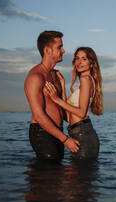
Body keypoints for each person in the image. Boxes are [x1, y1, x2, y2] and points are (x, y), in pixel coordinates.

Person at [24, 30, 80, 160]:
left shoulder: (56, 76)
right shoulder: (36, 77)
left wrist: (62, 83)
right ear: (47, 50)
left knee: (57, 175)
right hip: (42, 133)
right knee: (48, 176)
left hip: (58, 132)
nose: (64, 51)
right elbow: (38, 116)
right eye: (59, 47)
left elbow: (62, 110)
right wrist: (65, 139)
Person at [44, 47, 103, 160]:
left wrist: (56, 99)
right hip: (79, 133)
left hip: (83, 135)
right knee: (79, 176)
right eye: (77, 59)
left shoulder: (86, 79)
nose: (79, 62)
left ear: (91, 63)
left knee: (77, 176)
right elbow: (68, 115)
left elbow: (81, 113)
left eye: (84, 59)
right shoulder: (87, 81)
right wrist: (62, 83)